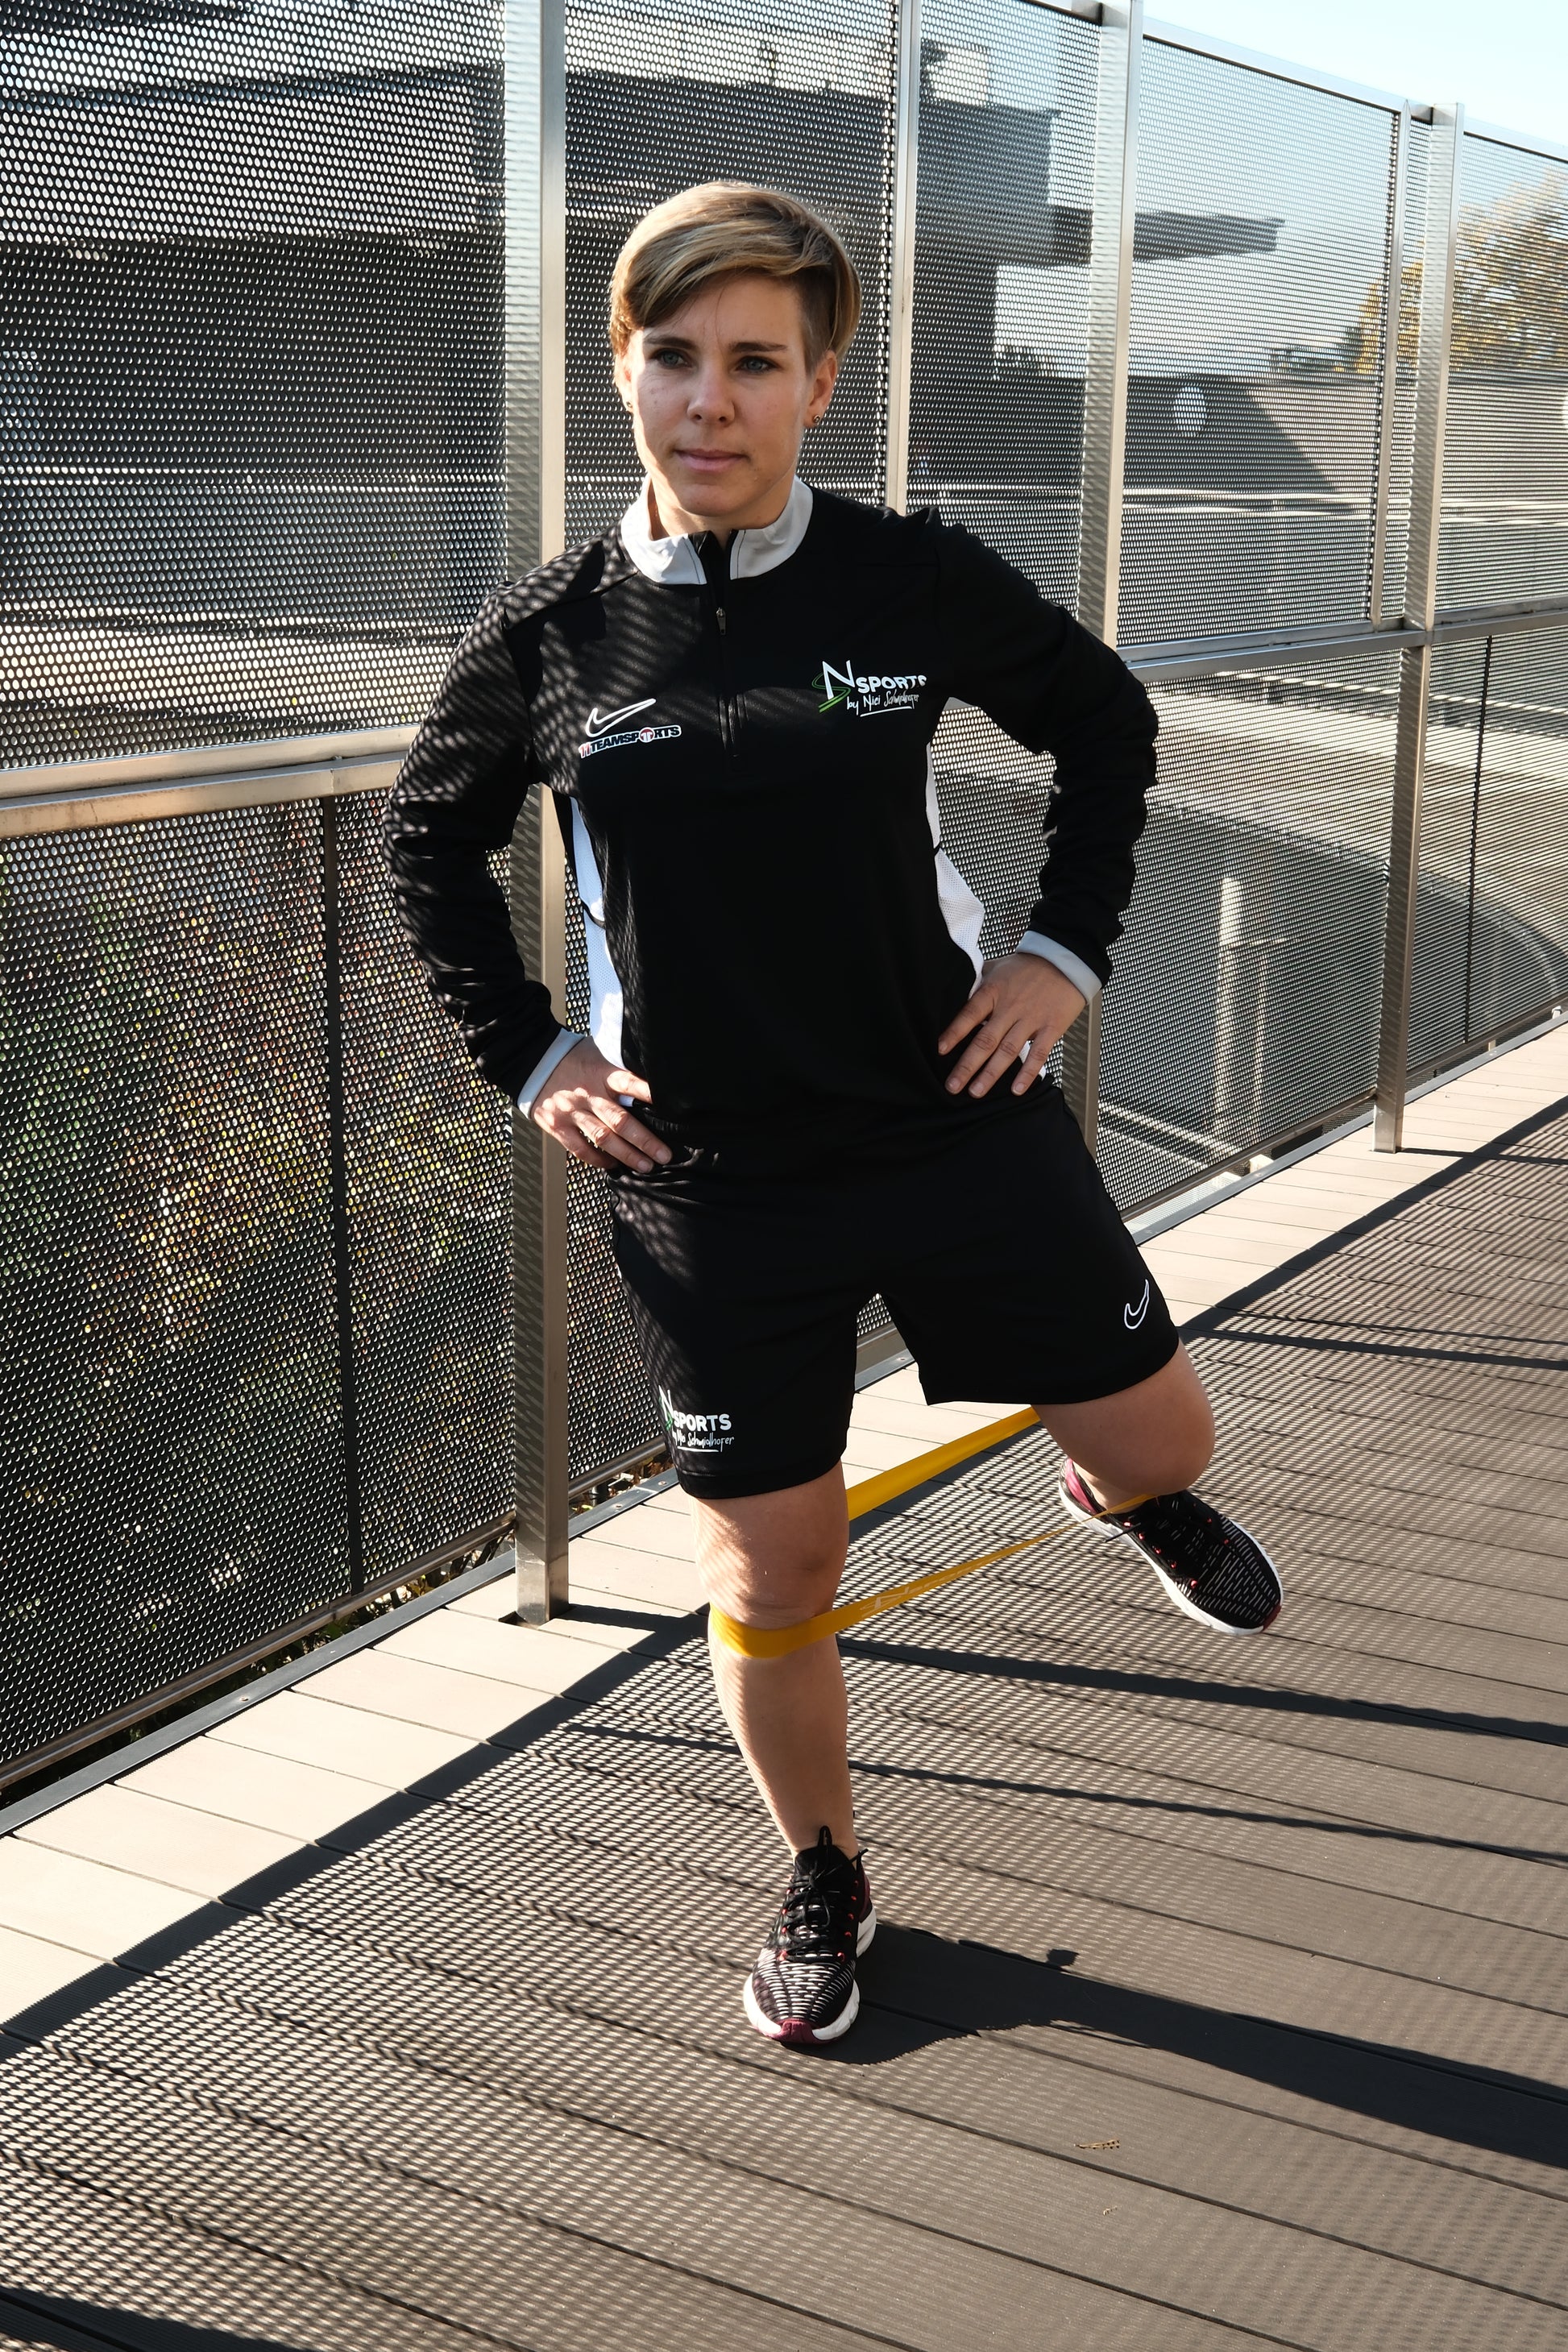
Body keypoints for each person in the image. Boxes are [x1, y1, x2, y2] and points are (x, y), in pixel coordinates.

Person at [384, 180, 1281, 2051]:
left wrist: (1060, 954)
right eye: (672, 356)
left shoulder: (904, 575)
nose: (708, 401)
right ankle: (823, 1867)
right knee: (774, 1563)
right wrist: (534, 1058)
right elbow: (425, 845)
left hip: (953, 1109)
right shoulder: (550, 634)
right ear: (622, 368)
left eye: (754, 361)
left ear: (818, 381)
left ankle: (1117, 1485)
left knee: (1171, 1432)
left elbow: (1104, 723)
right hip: (705, 1175)